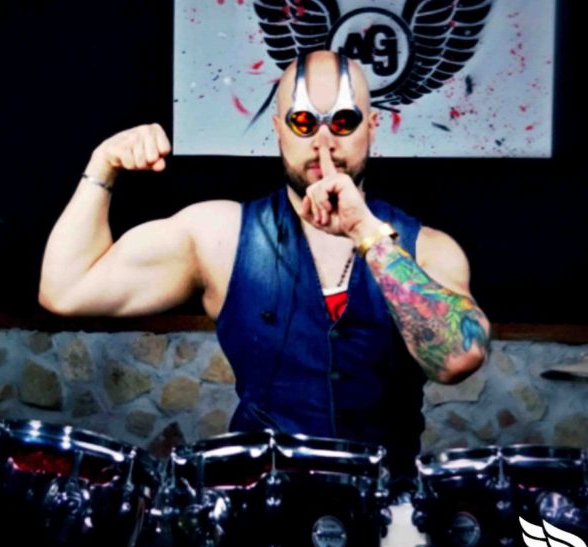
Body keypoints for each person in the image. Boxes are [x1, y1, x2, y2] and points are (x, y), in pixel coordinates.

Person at [39, 50, 489, 495]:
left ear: (372, 128)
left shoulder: (426, 249)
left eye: (344, 121)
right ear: (278, 130)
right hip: (263, 512)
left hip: (387, 514)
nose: (324, 142)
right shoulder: (223, 237)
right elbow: (66, 289)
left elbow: (458, 358)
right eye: (302, 122)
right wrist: (102, 166)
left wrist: (365, 233)